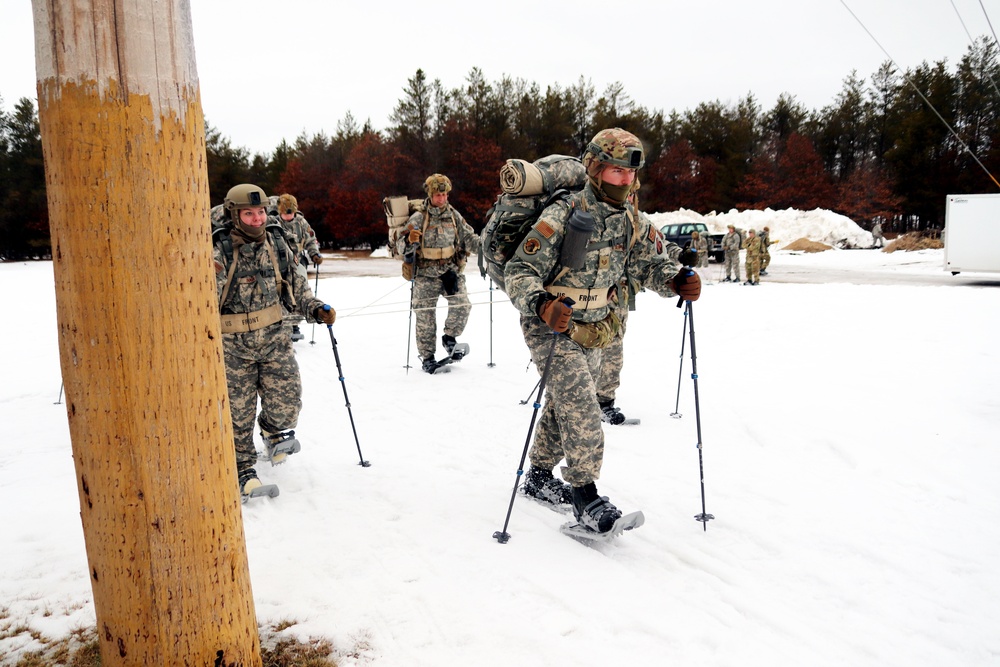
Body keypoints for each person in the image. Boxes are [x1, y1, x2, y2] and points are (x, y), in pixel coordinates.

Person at [505, 128, 701, 533]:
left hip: (597, 327)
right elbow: (519, 271)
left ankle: (539, 476)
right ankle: (586, 496)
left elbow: (650, 263)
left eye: (630, 173)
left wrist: (677, 279)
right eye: (616, 171)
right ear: (595, 169)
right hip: (552, 325)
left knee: (564, 406)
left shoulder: (631, 217)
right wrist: (543, 305)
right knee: (581, 403)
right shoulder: (564, 213)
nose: (626, 180)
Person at [213, 183, 337, 499]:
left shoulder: (278, 243)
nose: (257, 219)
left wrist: (315, 308)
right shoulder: (218, 251)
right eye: (248, 213)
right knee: (237, 415)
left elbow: (297, 288)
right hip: (232, 347)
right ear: (234, 214)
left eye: (260, 212)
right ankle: (242, 470)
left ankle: (271, 431)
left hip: (274, 340)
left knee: (288, 403)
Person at [397, 174, 481, 374]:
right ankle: (427, 357)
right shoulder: (419, 218)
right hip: (426, 273)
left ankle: (450, 338)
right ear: (430, 194)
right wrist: (409, 240)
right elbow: (399, 247)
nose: (441, 199)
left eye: (444, 195)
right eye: (437, 195)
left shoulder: (454, 215)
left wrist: (488, 248)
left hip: (449, 271)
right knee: (425, 317)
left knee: (463, 305)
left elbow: (469, 238)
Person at [274, 194, 323, 341]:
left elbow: (310, 239)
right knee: (278, 293)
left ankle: (295, 324)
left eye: (291, 214)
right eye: (285, 214)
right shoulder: (273, 222)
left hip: (296, 262)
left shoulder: (301, 222)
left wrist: (314, 254)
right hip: (277, 263)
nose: (288, 217)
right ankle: (278, 323)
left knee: (298, 292)